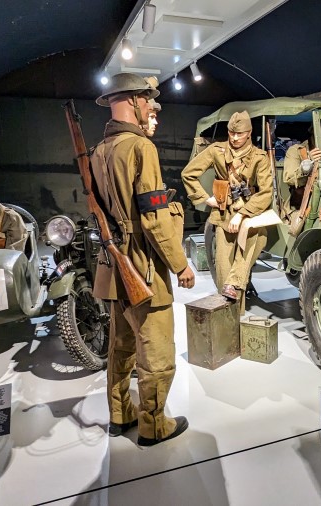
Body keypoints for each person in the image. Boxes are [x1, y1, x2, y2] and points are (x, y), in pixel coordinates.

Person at [90, 72, 195, 445]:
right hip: (142, 266)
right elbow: (154, 217)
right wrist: (180, 263)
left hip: (114, 265)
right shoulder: (140, 148)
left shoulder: (99, 151)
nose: (152, 107)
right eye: (148, 100)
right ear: (133, 101)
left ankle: (120, 414)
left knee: (120, 345)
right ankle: (153, 424)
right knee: (156, 349)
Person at [181, 111, 272, 303]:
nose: (235, 138)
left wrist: (242, 215)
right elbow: (188, 173)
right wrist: (206, 199)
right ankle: (230, 316)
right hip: (223, 214)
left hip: (250, 212)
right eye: (231, 133)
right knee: (224, 270)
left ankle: (235, 289)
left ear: (249, 133)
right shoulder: (216, 150)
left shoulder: (259, 157)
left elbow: (265, 192)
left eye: (240, 133)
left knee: (248, 251)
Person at [282, 119, 321, 211]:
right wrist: (306, 166)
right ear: (313, 130)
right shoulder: (297, 151)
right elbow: (289, 179)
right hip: (303, 206)